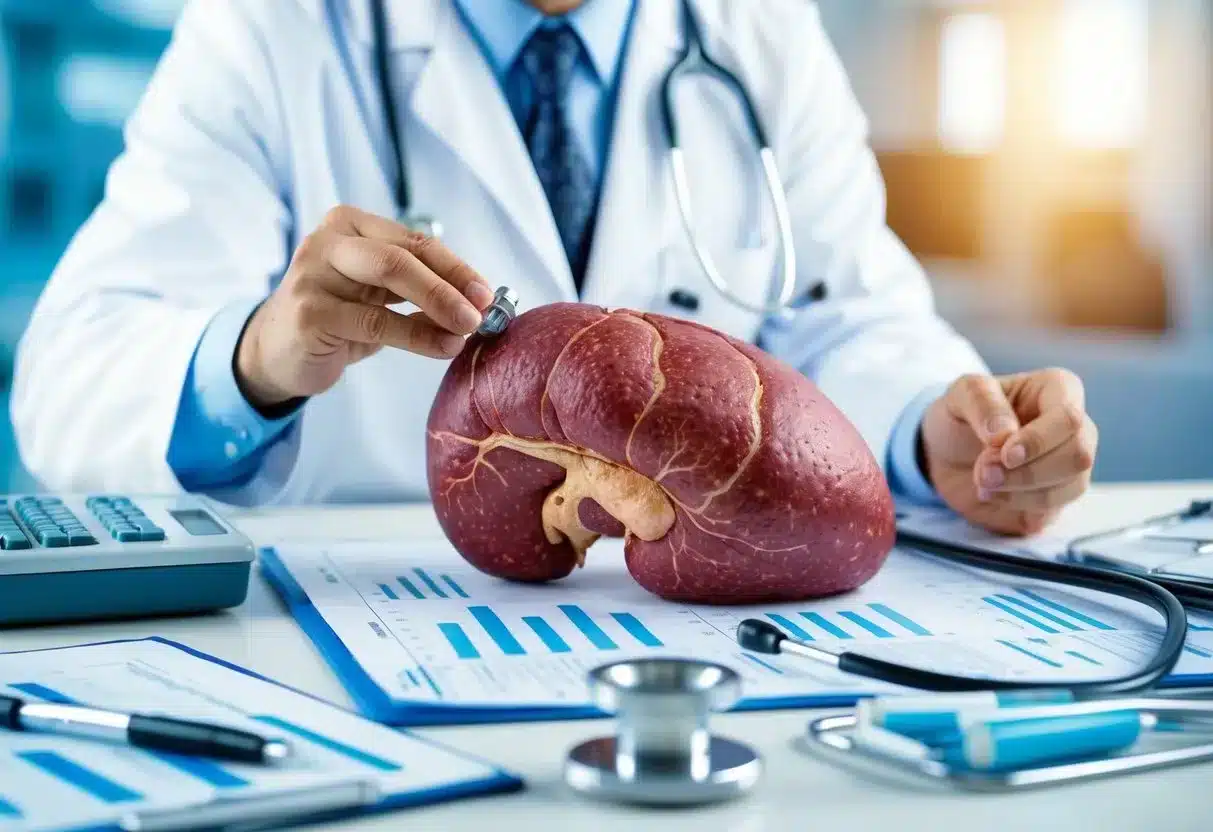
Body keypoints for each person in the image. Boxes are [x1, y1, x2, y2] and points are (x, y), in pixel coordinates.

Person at [11, 0, 1097, 537]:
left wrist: (932, 432)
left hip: (700, 638)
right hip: (366, 633)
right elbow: (75, 375)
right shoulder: (278, 26)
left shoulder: (753, 29)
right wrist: (254, 358)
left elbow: (844, 318)